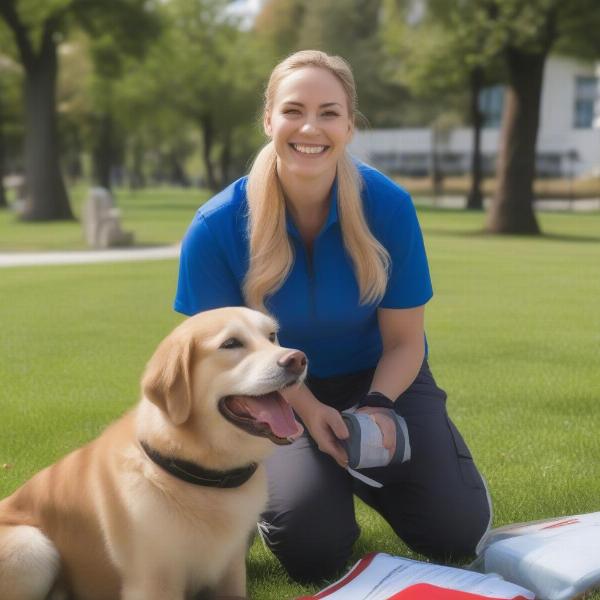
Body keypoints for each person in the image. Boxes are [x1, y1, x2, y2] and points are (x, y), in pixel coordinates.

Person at [174, 50, 491, 585]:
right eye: (294, 110)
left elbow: (406, 342)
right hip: (271, 392)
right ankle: (291, 483)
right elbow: (219, 358)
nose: (310, 128)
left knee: (456, 533)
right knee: (314, 549)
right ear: (269, 120)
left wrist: (374, 412)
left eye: (329, 112)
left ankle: (359, 467)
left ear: (348, 125)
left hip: (381, 381)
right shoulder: (216, 225)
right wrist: (308, 408)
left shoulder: (387, 206)